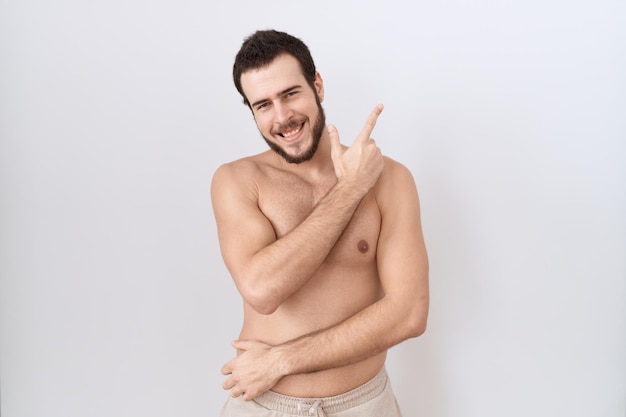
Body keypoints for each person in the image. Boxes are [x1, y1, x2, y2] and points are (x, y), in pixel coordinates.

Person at [211, 29, 429, 417]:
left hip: (363, 404)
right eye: (263, 105)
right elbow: (263, 289)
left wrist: (281, 360)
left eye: (290, 93)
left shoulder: (392, 180)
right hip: (265, 406)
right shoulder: (237, 181)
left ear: (318, 85)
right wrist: (350, 190)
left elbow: (409, 312)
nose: (282, 117)